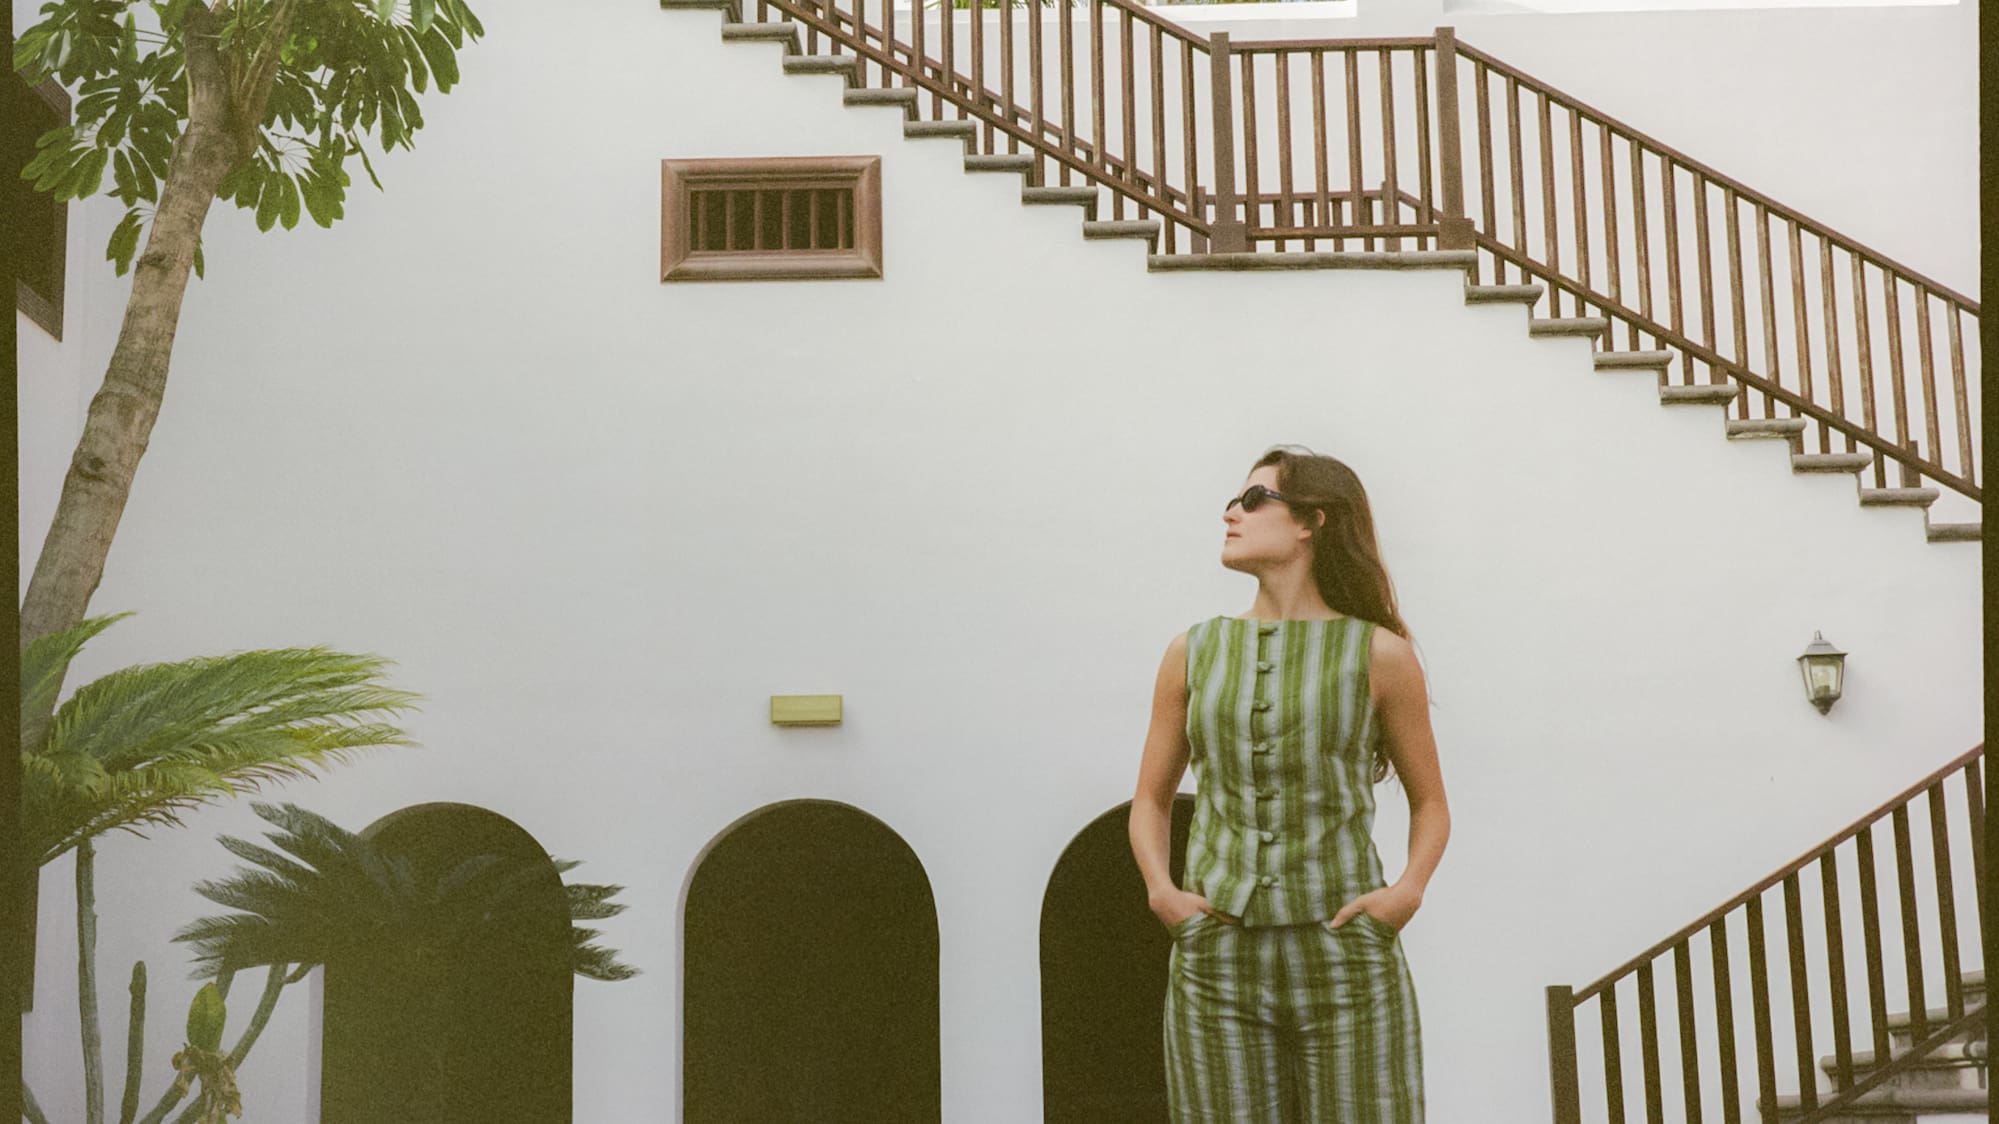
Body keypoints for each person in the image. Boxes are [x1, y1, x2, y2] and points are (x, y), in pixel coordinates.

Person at [1128, 445, 1450, 1124]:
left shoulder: (1380, 655)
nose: (1229, 513)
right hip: (1216, 958)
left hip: (1346, 956)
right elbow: (1151, 799)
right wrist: (1163, 894)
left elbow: (1430, 805)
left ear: (1311, 521)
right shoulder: (1192, 650)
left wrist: (1403, 895)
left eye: (1251, 500)